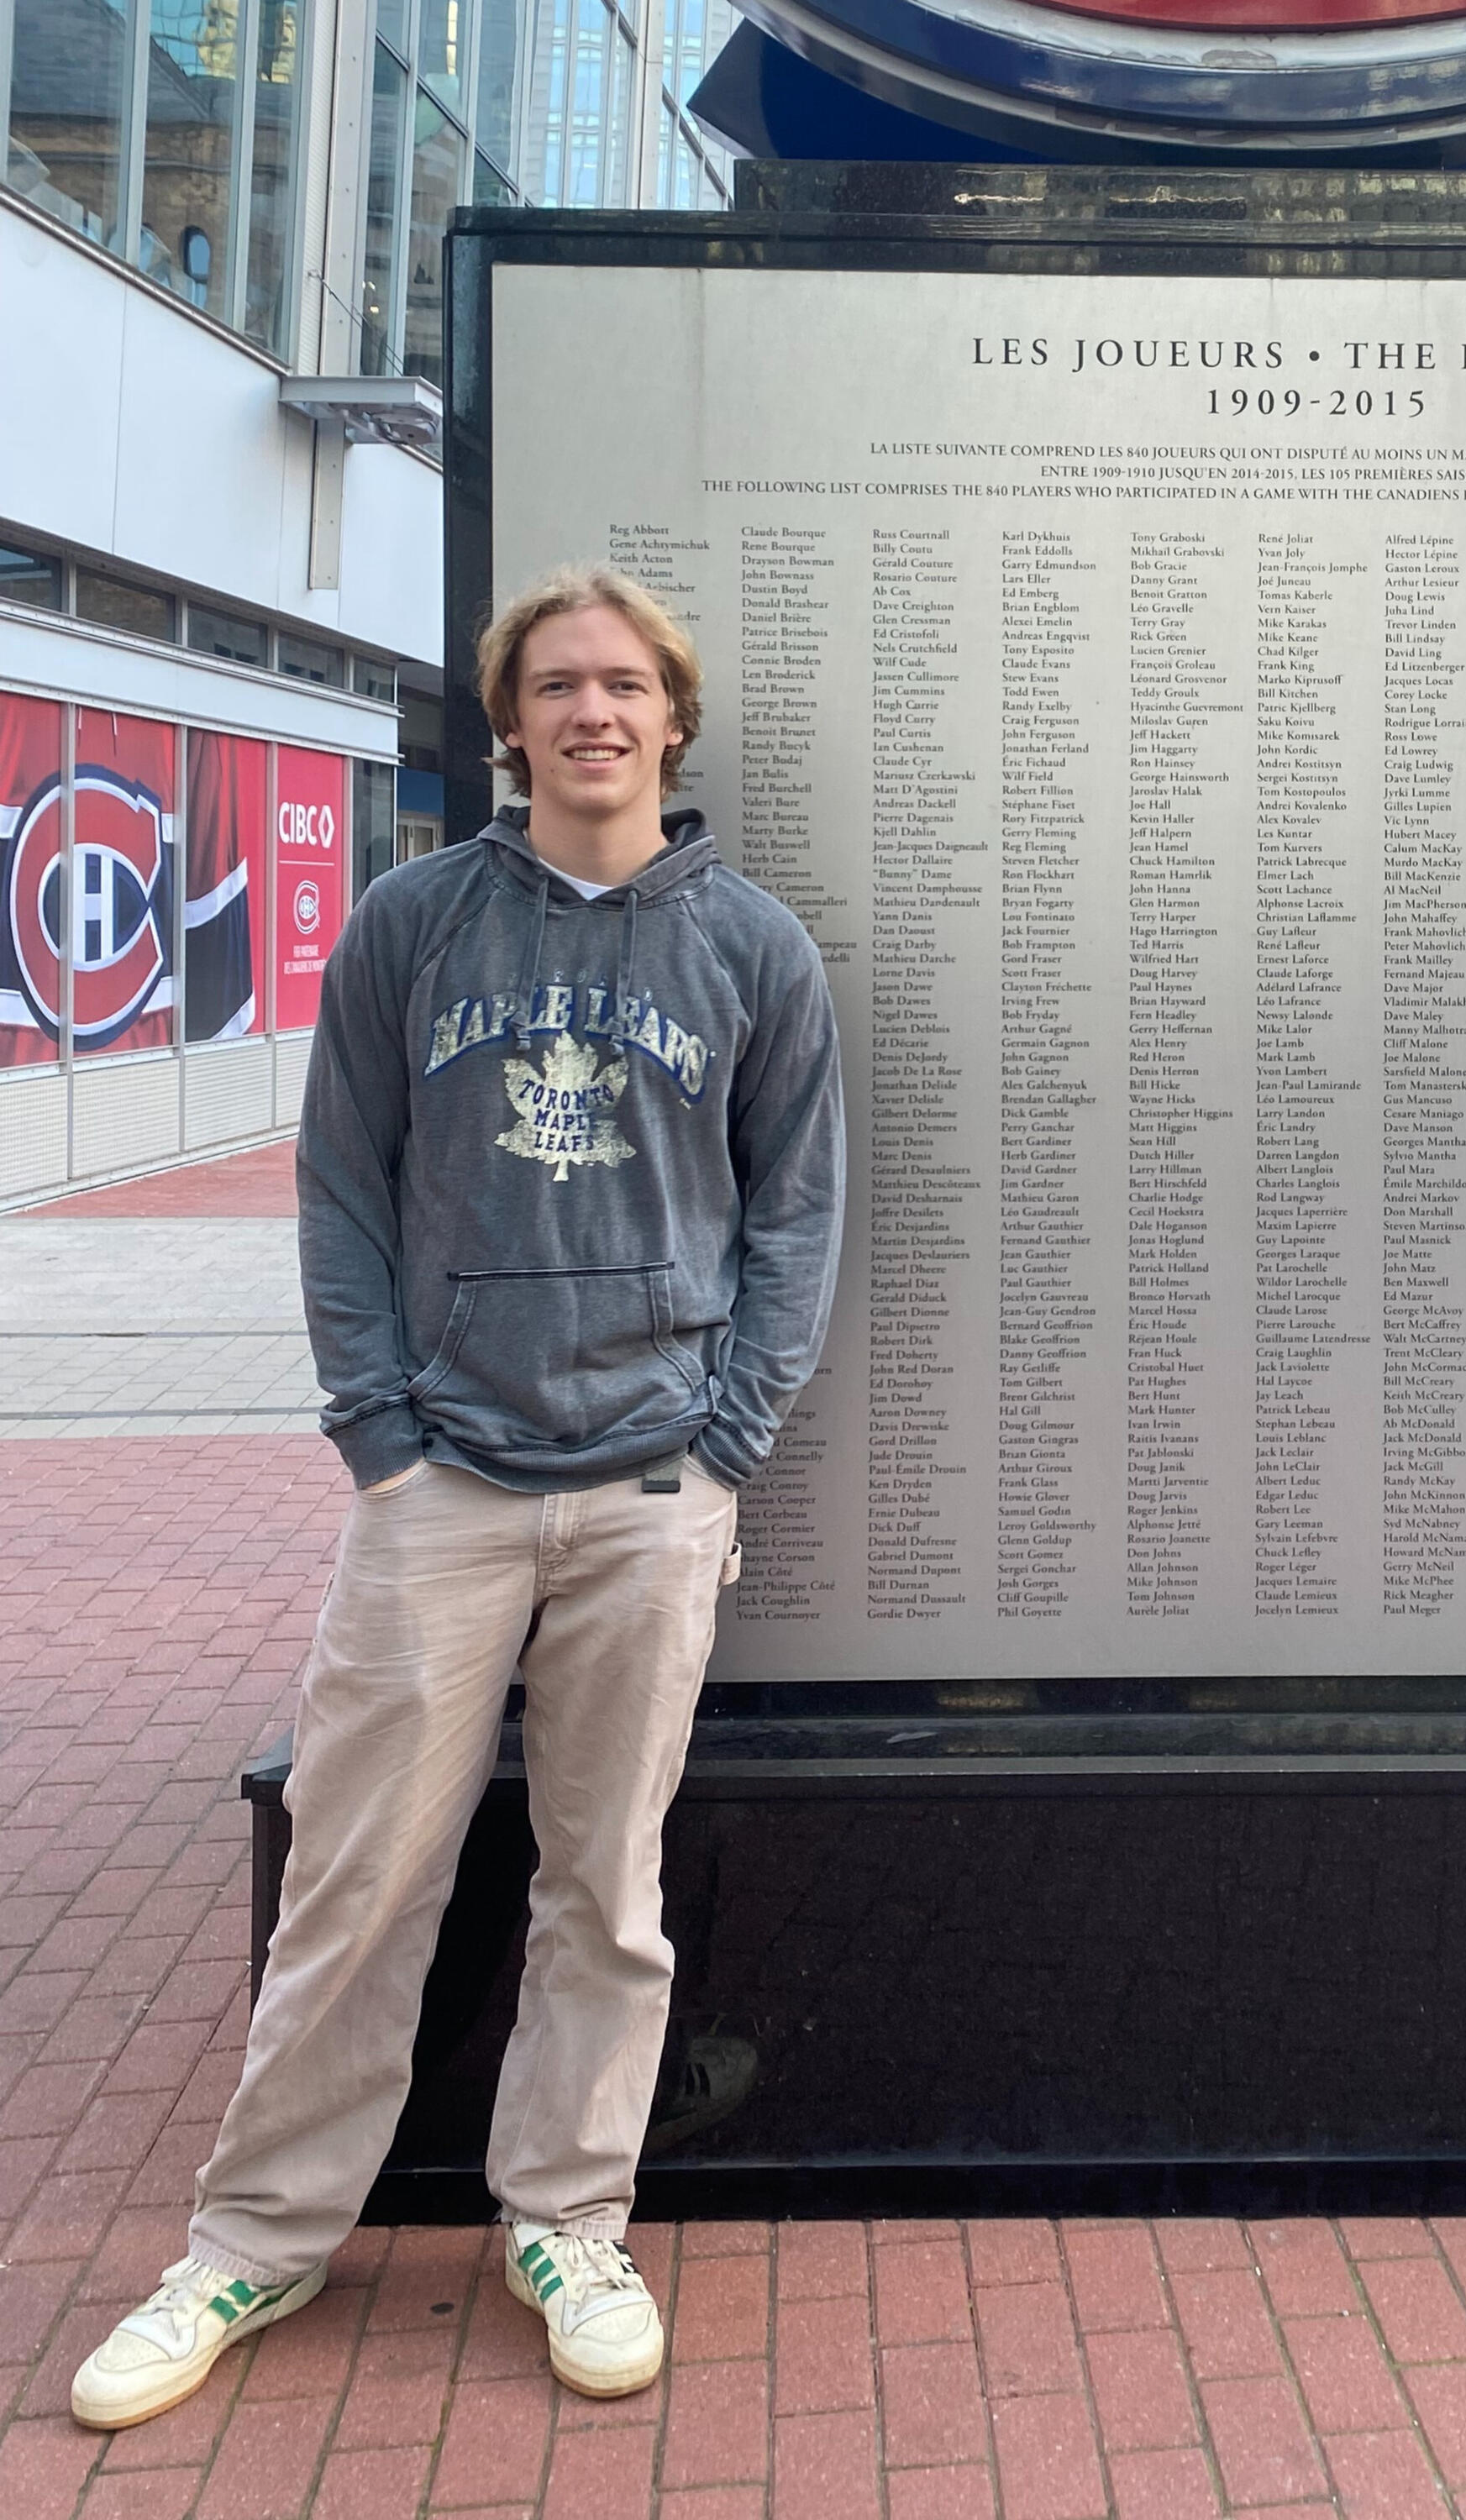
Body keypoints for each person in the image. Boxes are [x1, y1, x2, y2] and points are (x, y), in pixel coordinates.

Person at [71, 565, 845, 2428]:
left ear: (675, 717)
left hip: (653, 1487)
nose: (593, 712)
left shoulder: (752, 948)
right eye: (557, 685)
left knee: (609, 1888)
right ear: (508, 723)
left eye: (627, 684)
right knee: (355, 1880)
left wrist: (722, 1438)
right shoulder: (416, 928)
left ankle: (569, 2218)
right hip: (444, 1488)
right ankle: (252, 2236)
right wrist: (380, 1432)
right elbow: (341, 1186)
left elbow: (799, 1214)